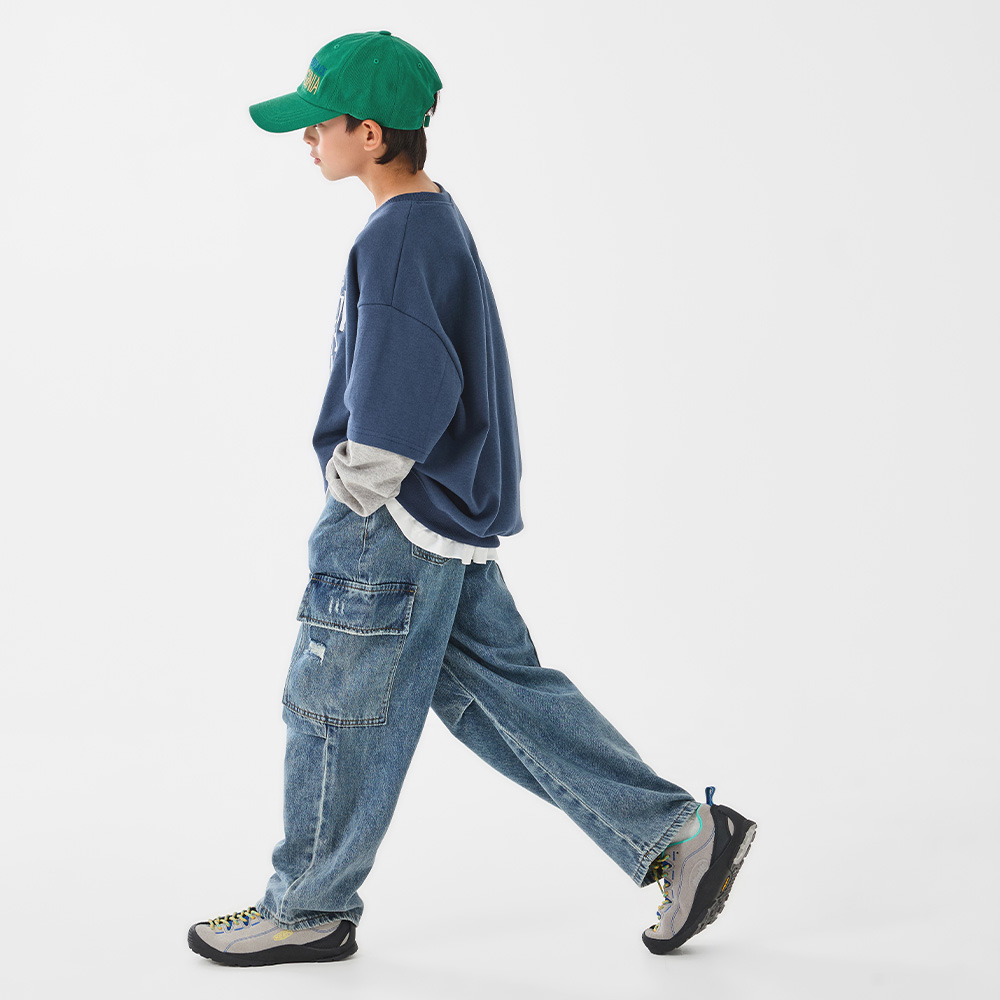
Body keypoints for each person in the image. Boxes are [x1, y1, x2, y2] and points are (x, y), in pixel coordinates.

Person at [187, 29, 756, 969]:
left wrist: (352, 496)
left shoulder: (396, 238)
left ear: (371, 134)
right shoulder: (433, 219)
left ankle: (307, 907)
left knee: (333, 708)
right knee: (504, 698)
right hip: (442, 518)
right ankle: (681, 836)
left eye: (320, 122)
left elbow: (406, 390)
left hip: (391, 520)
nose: (308, 139)